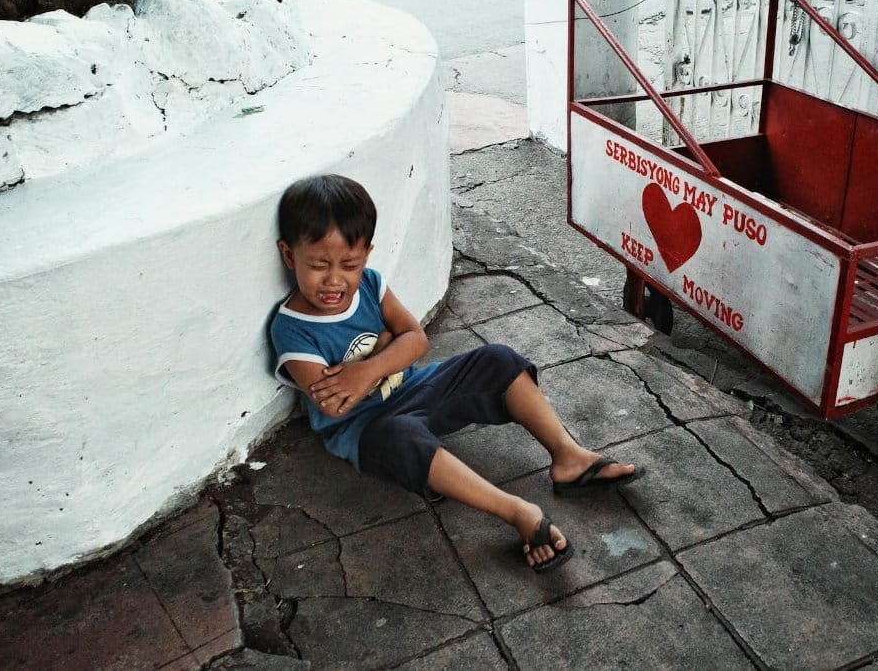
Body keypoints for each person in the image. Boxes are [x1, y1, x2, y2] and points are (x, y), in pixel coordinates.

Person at [269, 174, 643, 572]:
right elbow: (337, 405)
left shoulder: (371, 285)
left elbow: (416, 339)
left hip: (413, 388)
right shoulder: (291, 328)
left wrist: (372, 364)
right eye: (318, 265)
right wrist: (386, 344)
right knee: (398, 436)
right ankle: (515, 510)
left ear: (367, 255)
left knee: (497, 359)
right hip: (366, 429)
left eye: (350, 264)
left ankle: (569, 458)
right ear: (289, 256)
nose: (334, 279)